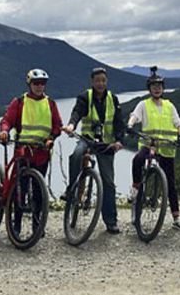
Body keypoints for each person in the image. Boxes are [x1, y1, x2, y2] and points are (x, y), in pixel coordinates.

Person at [62, 67, 126, 234]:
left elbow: (119, 122)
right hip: (88, 139)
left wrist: (119, 140)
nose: (100, 83)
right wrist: (71, 125)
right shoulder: (85, 97)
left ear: (106, 81)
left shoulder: (113, 99)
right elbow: (77, 112)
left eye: (103, 80)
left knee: (108, 183)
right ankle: (71, 189)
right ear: (92, 82)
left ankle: (111, 221)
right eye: (97, 80)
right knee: (76, 155)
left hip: (105, 144)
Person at [0, 68, 63, 230]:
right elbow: (7, 120)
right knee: (20, 189)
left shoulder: (50, 104)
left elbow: (57, 126)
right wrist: (4, 131)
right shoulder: (19, 102)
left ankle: (37, 225)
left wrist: (51, 138)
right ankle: (16, 225)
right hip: (23, 152)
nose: (39, 86)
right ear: (29, 84)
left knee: (39, 191)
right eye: (36, 83)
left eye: (42, 83)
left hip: (42, 153)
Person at [127, 66, 180, 231]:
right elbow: (134, 116)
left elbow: (178, 123)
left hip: (166, 148)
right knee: (138, 159)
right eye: (154, 86)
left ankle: (176, 217)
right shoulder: (143, 104)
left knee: (171, 184)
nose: (157, 89)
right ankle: (135, 189)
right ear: (149, 89)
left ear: (163, 88)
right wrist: (130, 125)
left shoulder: (169, 105)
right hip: (149, 145)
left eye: (159, 86)